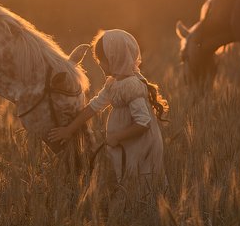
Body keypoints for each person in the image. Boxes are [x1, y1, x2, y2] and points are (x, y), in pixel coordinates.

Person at [50, 29, 168, 185]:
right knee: (126, 180)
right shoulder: (113, 83)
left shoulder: (131, 85)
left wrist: (117, 136)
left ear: (115, 58)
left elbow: (143, 123)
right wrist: (69, 129)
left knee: (140, 181)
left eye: (102, 60)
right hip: (125, 143)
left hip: (140, 144)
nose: (99, 64)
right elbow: (93, 106)